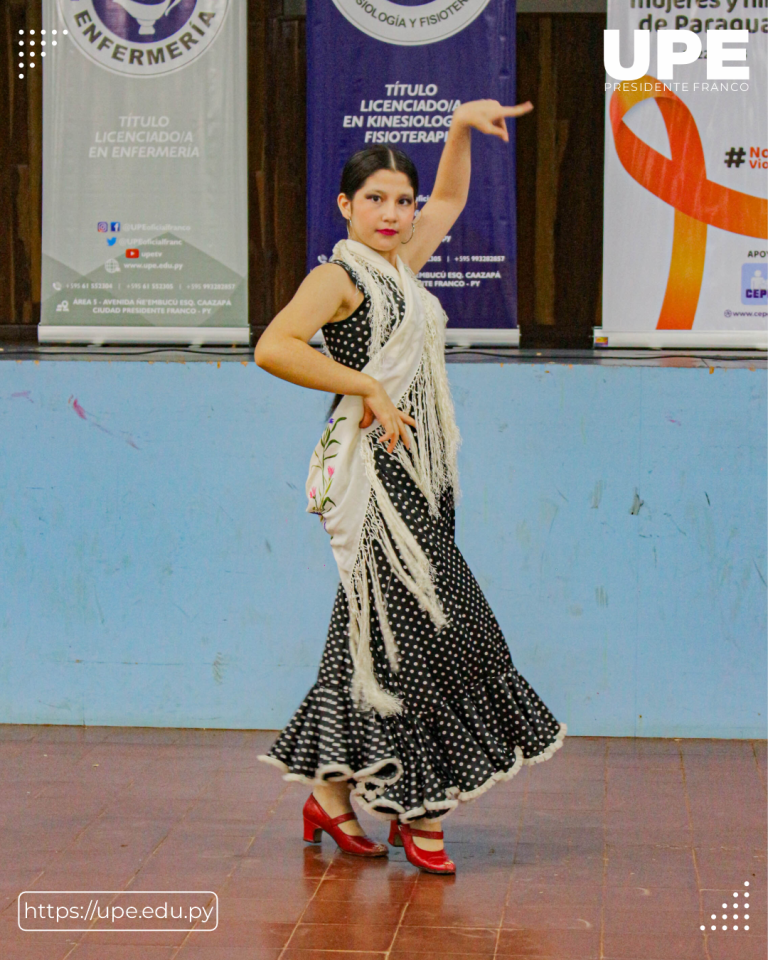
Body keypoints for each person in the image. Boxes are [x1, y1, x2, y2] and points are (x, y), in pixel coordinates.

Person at [254, 99, 566, 875]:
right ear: (344, 206)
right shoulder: (338, 276)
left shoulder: (398, 263)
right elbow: (273, 347)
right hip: (373, 473)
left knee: (374, 632)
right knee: (436, 623)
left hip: (423, 473)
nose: (393, 213)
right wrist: (366, 386)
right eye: (375, 200)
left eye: (402, 200)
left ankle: (327, 794)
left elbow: (453, 199)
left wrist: (459, 129)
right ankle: (419, 809)